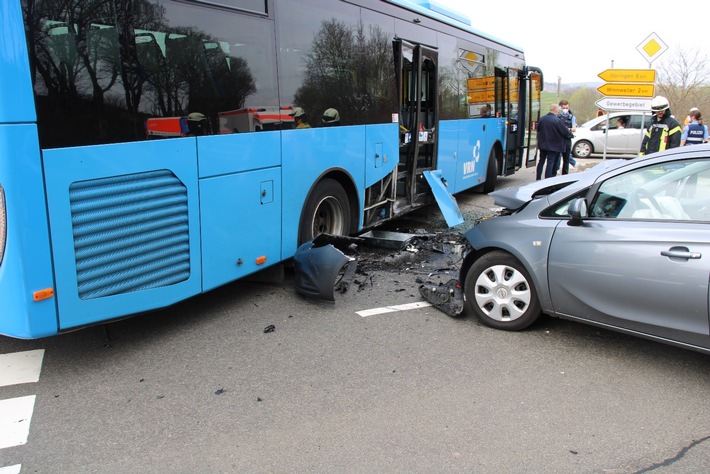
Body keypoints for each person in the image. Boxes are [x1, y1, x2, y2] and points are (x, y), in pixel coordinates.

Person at [536, 103, 573, 180]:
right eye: (558, 111)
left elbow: (538, 129)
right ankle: (547, 180)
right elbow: (565, 132)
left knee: (541, 161)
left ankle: (538, 178)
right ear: (556, 110)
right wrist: (571, 135)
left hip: (542, 145)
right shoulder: (557, 121)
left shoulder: (542, 119)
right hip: (553, 146)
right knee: (550, 162)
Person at [557, 100, 577, 174]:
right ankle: (557, 170)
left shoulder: (572, 117)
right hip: (558, 139)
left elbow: (574, 129)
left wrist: (566, 129)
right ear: (560, 108)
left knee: (567, 157)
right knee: (558, 156)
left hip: (567, 139)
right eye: (564, 108)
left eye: (567, 108)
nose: (565, 109)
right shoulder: (557, 116)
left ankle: (565, 174)